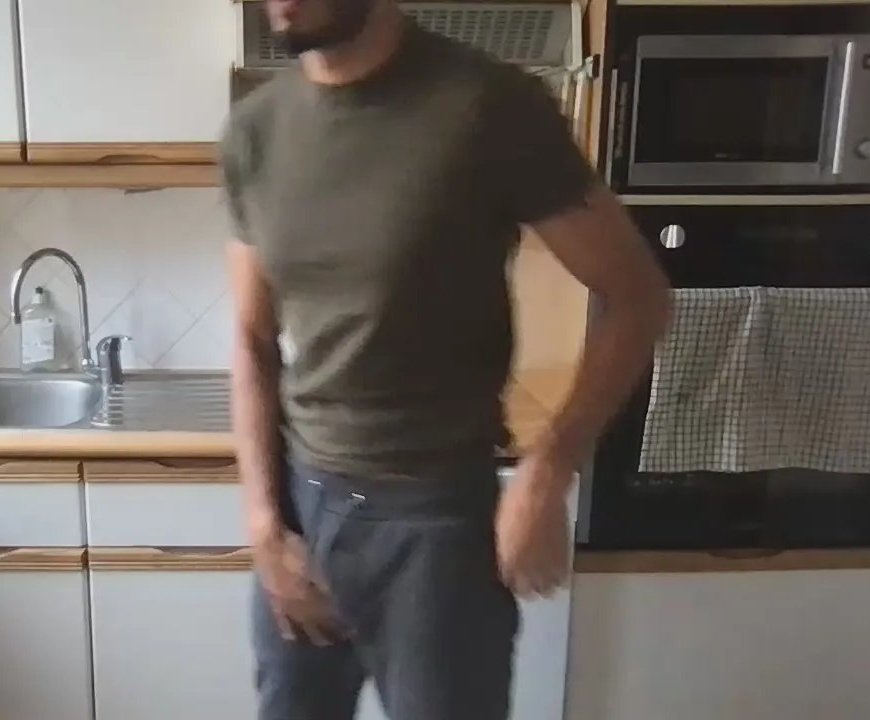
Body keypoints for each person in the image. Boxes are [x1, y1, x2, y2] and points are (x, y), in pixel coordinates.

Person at [220, 1, 671, 718]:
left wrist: (547, 469)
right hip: (304, 512)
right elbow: (251, 338)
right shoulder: (256, 129)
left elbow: (638, 296)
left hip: (437, 527)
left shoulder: (489, 106)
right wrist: (263, 526)